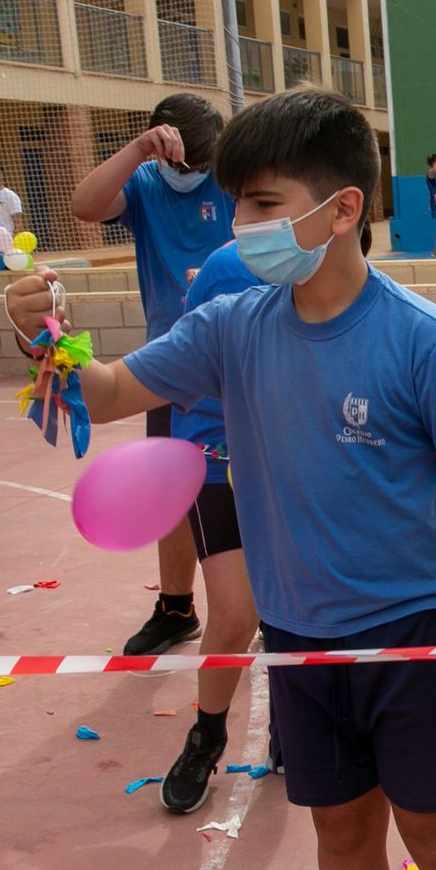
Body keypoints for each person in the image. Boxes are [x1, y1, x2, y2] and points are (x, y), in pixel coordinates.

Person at [6, 87, 436, 870]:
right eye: (237, 203)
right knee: (338, 834)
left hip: (419, 635)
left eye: (261, 202)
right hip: (301, 642)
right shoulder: (231, 326)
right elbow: (102, 390)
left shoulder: (421, 339)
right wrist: (42, 334)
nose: (240, 226)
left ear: (339, 209)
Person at [70, 94, 235, 658]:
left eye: (197, 165)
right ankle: (176, 607)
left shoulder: (232, 178)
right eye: (176, 163)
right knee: (173, 491)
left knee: (251, 485)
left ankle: (266, 601)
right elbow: (85, 206)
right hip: (168, 363)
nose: (186, 175)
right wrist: (140, 149)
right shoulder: (144, 181)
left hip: (239, 360)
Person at [153, 241, 264, 816]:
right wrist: (46, 343)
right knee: (235, 614)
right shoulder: (225, 269)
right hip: (217, 455)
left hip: (293, 458)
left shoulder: (333, 261)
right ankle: (207, 735)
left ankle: (297, 723)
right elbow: (161, 368)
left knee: (303, 607)